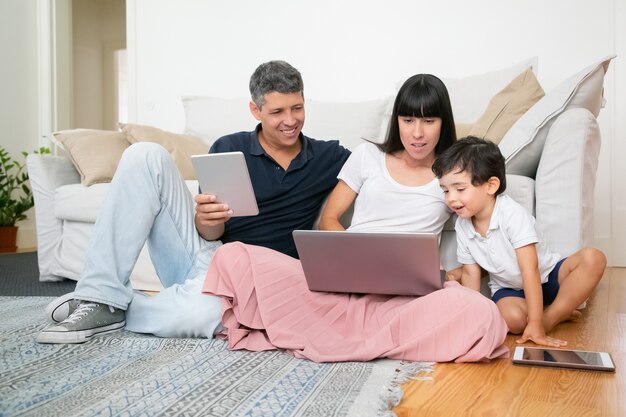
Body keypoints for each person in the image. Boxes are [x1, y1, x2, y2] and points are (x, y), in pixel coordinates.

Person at [199, 75, 510, 363]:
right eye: (408, 119)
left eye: (429, 120)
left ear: (443, 123)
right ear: (396, 121)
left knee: (484, 316)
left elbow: (484, 233)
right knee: (233, 255)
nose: (417, 133)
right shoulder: (367, 156)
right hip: (345, 284)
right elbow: (330, 219)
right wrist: (354, 259)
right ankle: (371, 338)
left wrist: (452, 274)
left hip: (408, 296)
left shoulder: (453, 174)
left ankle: (360, 338)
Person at [37, 60, 351, 344]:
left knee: (193, 317)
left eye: (297, 108)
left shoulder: (328, 156)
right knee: (145, 154)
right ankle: (99, 294)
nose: (291, 120)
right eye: (277, 112)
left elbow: (377, 168)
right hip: (208, 259)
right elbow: (209, 234)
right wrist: (206, 221)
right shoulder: (228, 147)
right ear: (255, 110)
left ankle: (108, 303)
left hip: (258, 280)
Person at [432, 136, 606, 347]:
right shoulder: (463, 224)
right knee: (513, 321)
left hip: (546, 276)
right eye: (445, 190)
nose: (451, 198)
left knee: (593, 258)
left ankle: (550, 317)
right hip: (509, 288)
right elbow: (471, 274)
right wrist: (471, 320)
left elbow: (530, 270)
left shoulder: (512, 215)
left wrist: (536, 323)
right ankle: (542, 314)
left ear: (491, 185)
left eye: (459, 189)